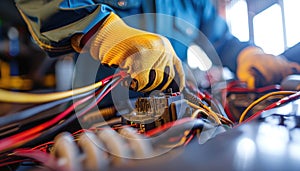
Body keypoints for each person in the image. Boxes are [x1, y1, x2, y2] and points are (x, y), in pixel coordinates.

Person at [14, 0, 300, 93]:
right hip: (95, 119)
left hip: (174, 116)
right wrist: (101, 31)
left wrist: (247, 55)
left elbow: (220, 39)